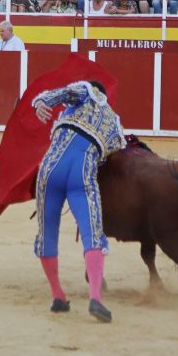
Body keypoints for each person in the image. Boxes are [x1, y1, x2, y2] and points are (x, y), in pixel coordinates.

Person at [30, 79, 124, 323]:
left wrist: (41, 102)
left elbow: (65, 92)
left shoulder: (86, 92)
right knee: (92, 233)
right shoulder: (115, 125)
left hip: (51, 167)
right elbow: (112, 156)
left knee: (47, 233)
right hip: (82, 171)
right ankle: (95, 298)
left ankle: (58, 296)